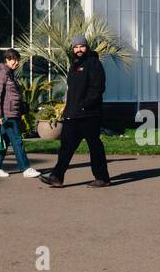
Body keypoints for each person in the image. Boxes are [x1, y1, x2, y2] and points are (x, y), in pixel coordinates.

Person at [40, 35, 110, 188]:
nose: (78, 49)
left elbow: (98, 88)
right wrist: (67, 108)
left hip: (89, 114)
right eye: (76, 47)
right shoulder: (74, 64)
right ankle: (56, 177)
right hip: (73, 114)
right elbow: (72, 90)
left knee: (94, 146)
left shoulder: (93, 63)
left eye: (81, 46)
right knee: (66, 147)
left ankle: (102, 178)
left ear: (87, 47)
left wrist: (85, 105)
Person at [0, 49, 40, 178]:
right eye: (13, 59)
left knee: (4, 142)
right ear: (7, 60)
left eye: (17, 60)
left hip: (13, 113)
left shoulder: (10, 73)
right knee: (17, 141)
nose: (16, 62)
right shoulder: (2, 73)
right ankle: (26, 168)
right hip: (7, 114)